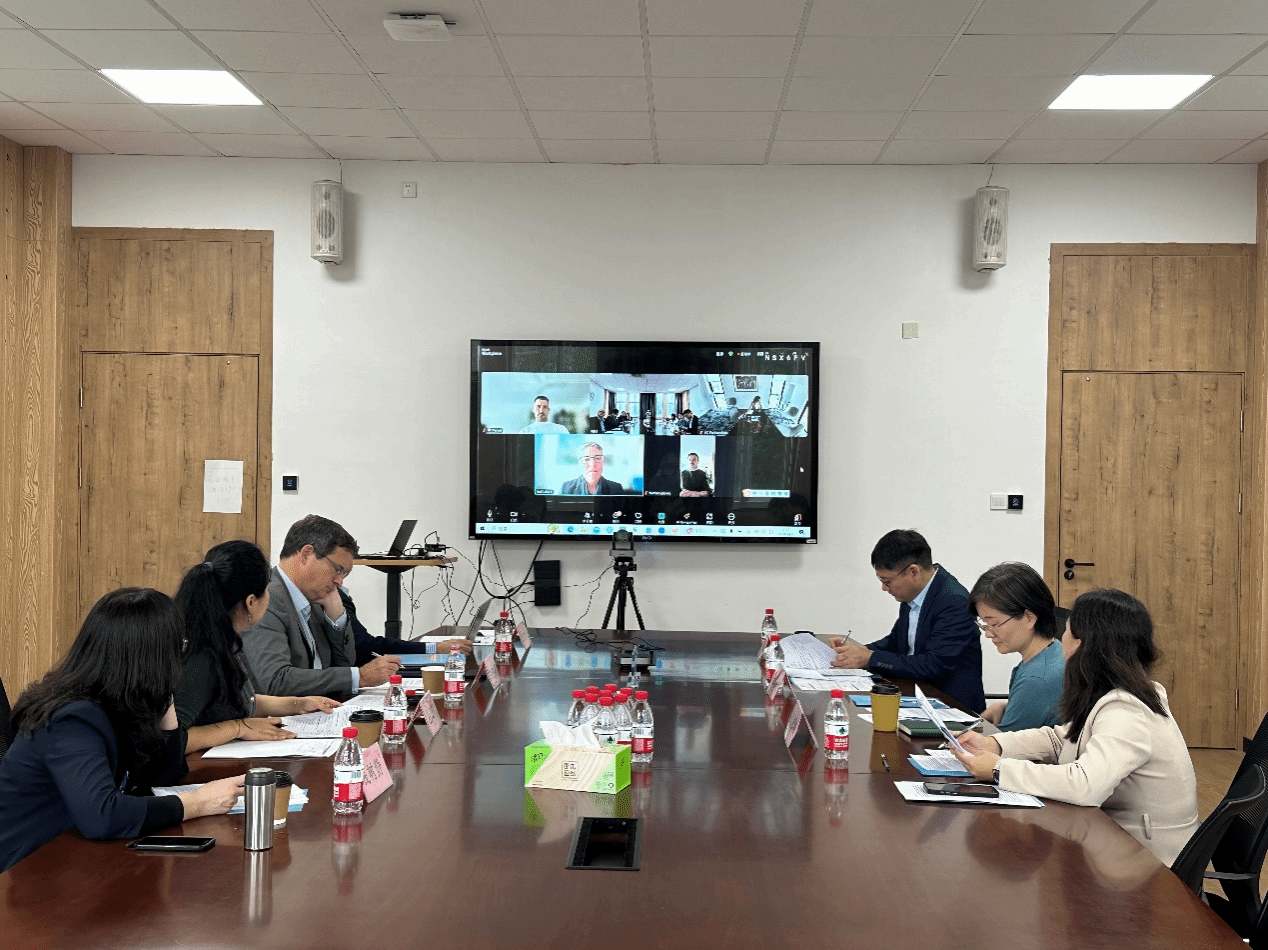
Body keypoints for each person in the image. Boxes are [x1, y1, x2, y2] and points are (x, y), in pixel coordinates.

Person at [0, 588, 245, 874]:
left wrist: (165, 696)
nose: (180, 658)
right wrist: (197, 803)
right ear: (152, 659)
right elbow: (102, 815)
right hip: (24, 871)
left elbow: (163, 777)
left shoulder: (116, 702)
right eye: (177, 648)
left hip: (70, 859)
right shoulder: (70, 719)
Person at [951, 588, 1198, 866]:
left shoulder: (1127, 709)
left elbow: (1085, 785)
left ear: (1082, 644)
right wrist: (995, 744)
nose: (1061, 640)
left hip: (1148, 860)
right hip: (1116, 840)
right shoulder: (1113, 691)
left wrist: (998, 769)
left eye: (1066, 631)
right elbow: (1062, 739)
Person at [174, 541, 345, 755]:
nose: (270, 596)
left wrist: (297, 704)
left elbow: (239, 700)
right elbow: (171, 741)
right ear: (250, 602)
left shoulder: (221, 638)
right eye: (267, 589)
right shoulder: (200, 655)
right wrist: (238, 728)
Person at [241, 515, 401, 696]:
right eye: (338, 570)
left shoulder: (314, 598)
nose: (339, 581)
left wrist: (337, 619)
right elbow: (276, 681)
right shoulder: (266, 599)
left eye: (344, 574)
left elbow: (343, 665)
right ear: (306, 554)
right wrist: (360, 677)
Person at [830, 529, 984, 712]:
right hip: (915, 696)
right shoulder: (914, 593)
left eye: (887, 581)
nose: (884, 588)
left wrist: (869, 658)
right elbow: (896, 641)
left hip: (951, 708)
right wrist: (860, 651)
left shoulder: (954, 601)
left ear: (913, 572)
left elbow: (933, 665)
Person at [968, 562, 1064, 731]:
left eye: (994, 624)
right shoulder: (1055, 650)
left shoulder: (1036, 679)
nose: (988, 634)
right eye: (984, 624)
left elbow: (1002, 744)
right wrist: (1006, 708)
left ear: (1029, 617)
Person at [559, 442, 628, 495]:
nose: (592, 464)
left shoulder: (616, 488)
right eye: (587, 459)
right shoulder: (566, 488)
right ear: (579, 463)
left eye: (597, 458)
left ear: (603, 462)